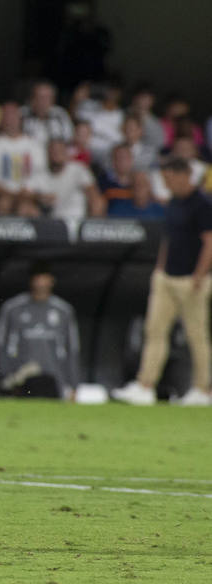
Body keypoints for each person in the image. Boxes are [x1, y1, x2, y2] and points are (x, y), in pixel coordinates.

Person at [111, 158, 212, 406]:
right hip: (166, 278)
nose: (166, 184)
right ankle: (145, 385)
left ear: (183, 175)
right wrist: (159, 268)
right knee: (154, 331)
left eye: (169, 179)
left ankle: (204, 389)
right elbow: (169, 238)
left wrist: (199, 275)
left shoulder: (202, 204)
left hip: (191, 281)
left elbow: (210, 242)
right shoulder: (173, 203)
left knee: (196, 336)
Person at [0, 263, 81, 399]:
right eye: (37, 279)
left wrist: (74, 385)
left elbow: (72, 349)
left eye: (44, 278)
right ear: (31, 281)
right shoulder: (12, 308)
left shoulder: (64, 311)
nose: (41, 283)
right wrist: (6, 376)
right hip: (22, 379)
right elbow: (0, 345)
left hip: (55, 380)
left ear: (51, 281)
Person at [0, 101, 46, 216]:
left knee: (26, 208)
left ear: (20, 118)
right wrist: (13, 194)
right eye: (6, 116)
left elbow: (40, 175)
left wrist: (28, 193)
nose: (10, 119)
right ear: (1, 120)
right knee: (4, 203)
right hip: (1, 196)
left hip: (29, 196)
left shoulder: (35, 145)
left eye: (13, 115)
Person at [31, 138, 103, 220]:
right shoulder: (40, 173)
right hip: (49, 222)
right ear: (47, 154)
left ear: (66, 152)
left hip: (77, 222)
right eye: (53, 151)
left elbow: (92, 193)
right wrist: (38, 197)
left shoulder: (79, 169)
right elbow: (26, 194)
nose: (56, 154)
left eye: (59, 151)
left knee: (97, 202)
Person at [21, 81, 75, 145]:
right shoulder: (22, 114)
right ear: (32, 99)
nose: (42, 102)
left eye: (46, 97)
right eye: (39, 97)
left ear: (52, 100)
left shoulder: (60, 115)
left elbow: (69, 138)